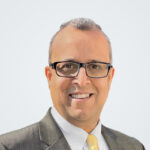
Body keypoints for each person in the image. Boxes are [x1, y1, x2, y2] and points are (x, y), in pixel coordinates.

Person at [0, 18, 145, 150]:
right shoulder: (9, 147)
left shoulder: (134, 147)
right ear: (49, 76)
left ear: (110, 77)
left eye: (95, 67)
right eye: (68, 66)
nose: (82, 81)